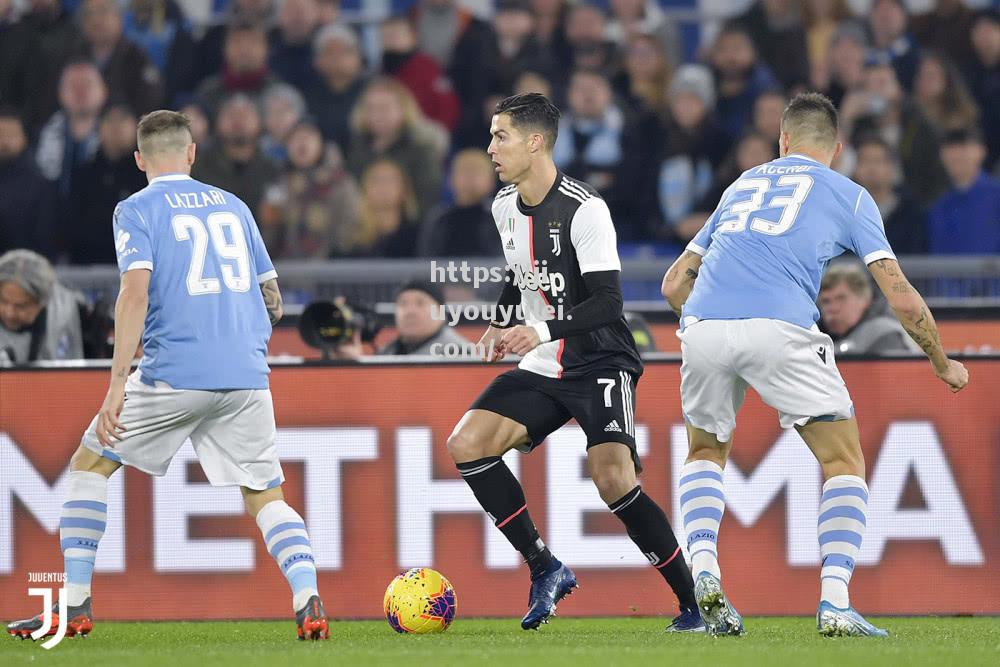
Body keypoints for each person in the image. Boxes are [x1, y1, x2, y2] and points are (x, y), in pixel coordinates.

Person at [4, 110, 330, 641]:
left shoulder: (135, 208)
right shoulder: (236, 205)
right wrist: (240, 340)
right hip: (246, 375)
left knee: (90, 463)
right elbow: (272, 300)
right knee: (265, 494)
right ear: (192, 153)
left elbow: (134, 292)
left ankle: (75, 605)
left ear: (139, 160)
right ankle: (307, 594)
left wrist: (116, 384)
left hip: (173, 372)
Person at [661, 92, 968, 637]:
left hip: (703, 324)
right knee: (844, 461)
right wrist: (942, 363)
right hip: (781, 327)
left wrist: (712, 326)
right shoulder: (849, 195)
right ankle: (834, 602)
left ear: (782, 141)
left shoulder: (743, 183)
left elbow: (673, 283)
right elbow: (898, 295)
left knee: (705, 451)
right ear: (838, 149)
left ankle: (704, 571)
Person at [446, 93, 702, 634]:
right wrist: (500, 320)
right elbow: (520, 272)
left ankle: (694, 604)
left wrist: (535, 328)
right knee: (466, 444)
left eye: (501, 136)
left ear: (535, 142)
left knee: (613, 479)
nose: (490, 148)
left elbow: (609, 302)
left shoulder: (585, 209)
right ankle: (545, 567)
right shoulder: (502, 207)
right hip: (545, 363)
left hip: (601, 360)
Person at [259, 119, 361, 258]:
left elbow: (350, 228)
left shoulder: (341, 184)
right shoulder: (278, 184)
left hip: (330, 269)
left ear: (322, 144)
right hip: (285, 270)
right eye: (295, 138)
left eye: (309, 137)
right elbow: (267, 237)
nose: (302, 143)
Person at [67, 104, 148, 264]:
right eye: (109, 121)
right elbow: (71, 224)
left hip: (139, 264)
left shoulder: (147, 173)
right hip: (87, 266)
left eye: (123, 120)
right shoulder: (83, 173)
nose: (116, 127)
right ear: (99, 128)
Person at [191, 94, 279, 217]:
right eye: (230, 115)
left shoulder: (274, 170)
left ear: (260, 122)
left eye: (245, 115)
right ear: (217, 122)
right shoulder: (198, 168)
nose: (238, 120)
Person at [0, 249, 86, 363]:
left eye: (21, 306)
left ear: (42, 303)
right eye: (3, 301)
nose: (9, 313)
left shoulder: (64, 316)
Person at [818, 262, 917, 355]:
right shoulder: (815, 335)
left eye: (841, 298)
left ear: (864, 299)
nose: (832, 308)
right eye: (826, 301)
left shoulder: (886, 335)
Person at [928, 127, 1000, 254]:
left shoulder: (996, 198)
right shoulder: (938, 207)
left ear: (981, 151)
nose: (956, 154)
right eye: (950, 148)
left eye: (963, 146)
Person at [851, 135, 927, 254]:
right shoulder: (844, 213)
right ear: (855, 169)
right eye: (865, 161)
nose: (871, 168)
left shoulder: (911, 213)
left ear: (891, 167)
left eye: (878, 161)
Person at [418, 148, 498, 257]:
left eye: (477, 172)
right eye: (464, 171)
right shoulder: (439, 219)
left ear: (491, 181)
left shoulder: (500, 217)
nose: (470, 177)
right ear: (451, 179)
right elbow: (426, 262)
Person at [0, 108, 56, 257]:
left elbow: (45, 236)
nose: (4, 141)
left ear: (23, 139)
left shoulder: (39, 185)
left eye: (10, 135)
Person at [376, 280, 471, 355]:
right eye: (403, 303)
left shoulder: (458, 353)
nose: (410, 312)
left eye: (420, 303)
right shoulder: (385, 353)